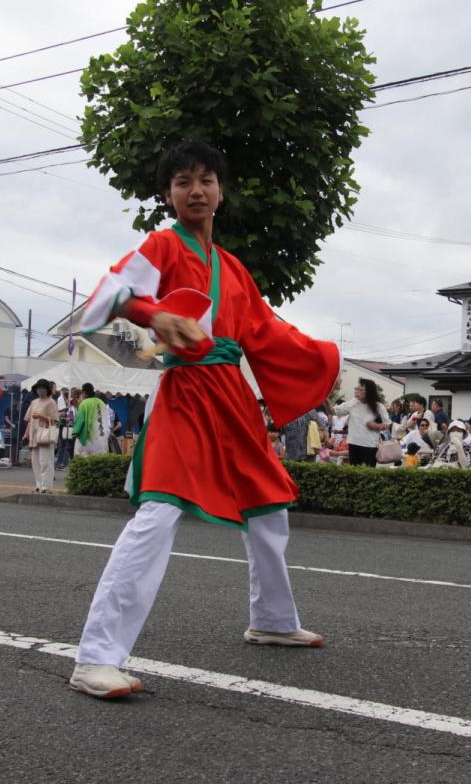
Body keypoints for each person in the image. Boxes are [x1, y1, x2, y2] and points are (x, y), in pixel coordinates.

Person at [68, 141, 340, 699]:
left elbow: (266, 330)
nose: (196, 190)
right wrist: (154, 312)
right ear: (168, 195)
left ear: (221, 189)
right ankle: (96, 656)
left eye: (206, 179)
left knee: (269, 504)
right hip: (186, 391)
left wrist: (320, 359)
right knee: (159, 512)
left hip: (232, 395)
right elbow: (113, 292)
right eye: (183, 181)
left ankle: (271, 619)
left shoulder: (233, 268)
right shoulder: (163, 244)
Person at [334, 379, 391, 467]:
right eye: (356, 388)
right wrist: (334, 390)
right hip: (353, 443)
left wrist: (377, 426)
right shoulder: (353, 403)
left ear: (369, 391)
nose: (357, 391)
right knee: (355, 472)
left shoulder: (379, 406)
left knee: (368, 472)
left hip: (369, 444)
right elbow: (337, 411)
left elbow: (388, 424)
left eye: (361, 389)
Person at [25, 379, 59, 493]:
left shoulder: (51, 402)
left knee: (45, 461)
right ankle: (39, 485)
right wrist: (25, 435)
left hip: (45, 436)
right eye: (38, 388)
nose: (40, 390)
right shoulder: (33, 402)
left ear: (47, 389)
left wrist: (41, 416)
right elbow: (29, 420)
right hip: (34, 435)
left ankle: (46, 486)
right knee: (35, 462)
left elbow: (55, 420)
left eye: (42, 388)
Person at [73, 383, 111, 456]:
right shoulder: (101, 402)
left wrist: (75, 432)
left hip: (89, 438)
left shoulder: (84, 403)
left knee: (83, 458)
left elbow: (80, 421)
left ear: (84, 393)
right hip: (102, 438)